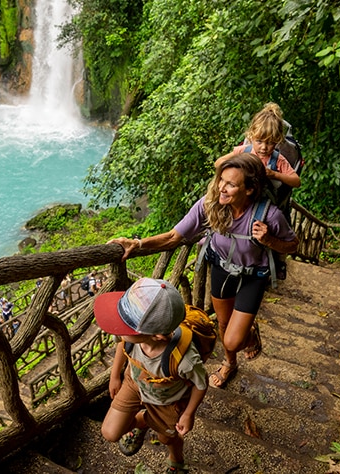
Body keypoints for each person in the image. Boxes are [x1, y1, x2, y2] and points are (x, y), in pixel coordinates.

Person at [109, 153, 298, 389]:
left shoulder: (269, 215)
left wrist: (269, 239)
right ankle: (230, 364)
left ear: (249, 189)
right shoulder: (209, 205)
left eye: (231, 184)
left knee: (232, 338)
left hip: (253, 275)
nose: (222, 187)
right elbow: (174, 237)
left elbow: (293, 245)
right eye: (222, 180)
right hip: (220, 266)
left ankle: (249, 334)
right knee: (222, 324)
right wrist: (137, 244)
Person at [94, 277, 207, 473]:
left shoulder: (184, 359)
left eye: (125, 326)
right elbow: (124, 344)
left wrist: (189, 414)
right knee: (110, 432)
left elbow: (201, 384)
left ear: (157, 336)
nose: (118, 329)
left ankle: (176, 460)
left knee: (166, 438)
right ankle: (146, 420)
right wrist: (115, 375)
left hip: (167, 401)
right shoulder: (133, 339)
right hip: (134, 384)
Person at [215, 102, 301, 191]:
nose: (264, 147)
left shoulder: (278, 160)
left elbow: (297, 182)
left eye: (270, 143)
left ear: (277, 141)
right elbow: (218, 163)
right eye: (259, 141)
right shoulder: (244, 151)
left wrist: (274, 175)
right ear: (251, 137)